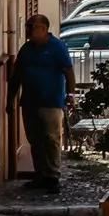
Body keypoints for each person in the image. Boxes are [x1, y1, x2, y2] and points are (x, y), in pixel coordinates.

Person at [8, 15, 73, 194]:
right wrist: (10, 99)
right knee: (35, 140)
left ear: (43, 29)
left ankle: (52, 176)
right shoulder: (26, 49)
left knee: (51, 139)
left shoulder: (57, 47)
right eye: (27, 26)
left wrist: (70, 94)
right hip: (29, 101)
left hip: (51, 101)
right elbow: (16, 76)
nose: (28, 29)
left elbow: (68, 70)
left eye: (32, 26)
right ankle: (40, 175)